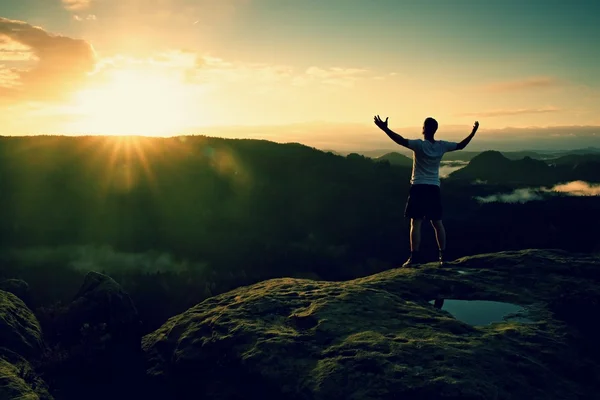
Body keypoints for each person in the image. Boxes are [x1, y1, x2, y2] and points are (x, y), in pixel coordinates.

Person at [373, 115, 479, 267]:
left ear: (424, 129)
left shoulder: (419, 145)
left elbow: (400, 140)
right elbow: (461, 145)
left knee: (415, 223)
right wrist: (473, 132)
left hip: (418, 187)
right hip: (433, 188)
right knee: (437, 223)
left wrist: (385, 129)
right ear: (435, 130)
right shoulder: (442, 146)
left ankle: (414, 257)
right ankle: (444, 256)